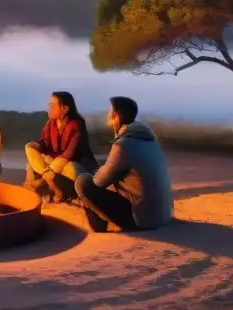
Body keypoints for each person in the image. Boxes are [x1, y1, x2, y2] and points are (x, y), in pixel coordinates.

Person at [74, 96, 173, 232]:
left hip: (142, 218)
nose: (108, 116)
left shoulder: (123, 145)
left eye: (110, 113)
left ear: (115, 117)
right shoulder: (147, 138)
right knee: (101, 169)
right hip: (161, 215)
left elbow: (99, 182)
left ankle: (99, 225)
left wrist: (95, 170)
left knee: (83, 181)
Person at [24, 91, 98, 202]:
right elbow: (44, 142)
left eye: (53, 105)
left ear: (65, 109)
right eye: (49, 105)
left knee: (70, 166)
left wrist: (52, 169)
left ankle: (48, 185)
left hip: (76, 168)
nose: (49, 108)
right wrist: (37, 146)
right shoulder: (51, 123)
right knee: (29, 148)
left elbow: (69, 154)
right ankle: (49, 182)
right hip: (54, 167)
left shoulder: (76, 125)